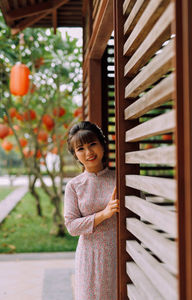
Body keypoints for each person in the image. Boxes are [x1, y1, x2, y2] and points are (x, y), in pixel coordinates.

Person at [64, 121, 119, 300]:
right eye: (80, 149)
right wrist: (104, 214)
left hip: (118, 253)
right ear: (75, 155)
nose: (88, 153)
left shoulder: (120, 179)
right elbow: (72, 226)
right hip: (89, 257)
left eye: (92, 144)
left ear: (102, 145)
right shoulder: (74, 186)